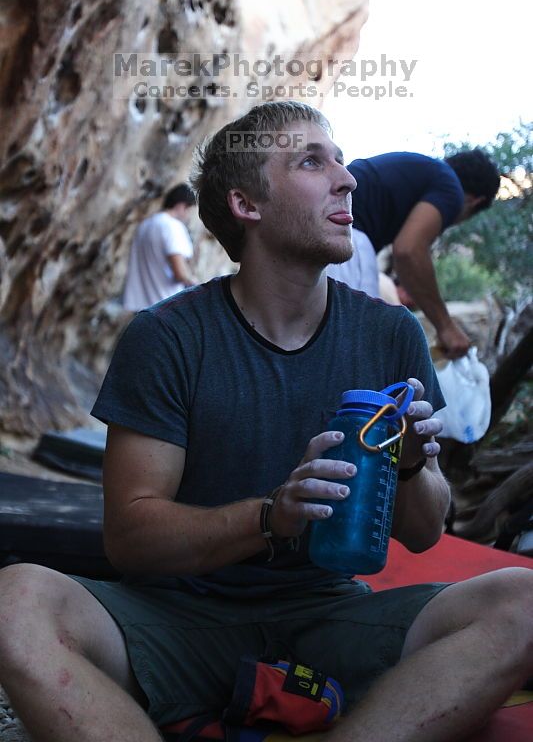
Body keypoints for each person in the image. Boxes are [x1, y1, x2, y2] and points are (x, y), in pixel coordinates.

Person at [0, 102, 531, 742]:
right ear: (246, 204)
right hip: (175, 619)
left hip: (328, 616)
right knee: (15, 600)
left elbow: (422, 535)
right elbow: (130, 537)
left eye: (341, 160)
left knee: (523, 601)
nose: (348, 180)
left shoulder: (390, 333)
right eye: (311, 162)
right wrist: (269, 515)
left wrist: (415, 464)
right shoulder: (167, 337)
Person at [328, 150, 500, 358]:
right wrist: (446, 327)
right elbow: (409, 251)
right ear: (474, 201)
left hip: (324, 235)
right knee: (356, 352)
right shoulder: (451, 188)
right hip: (345, 241)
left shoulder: (424, 173)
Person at [123, 182, 198, 311]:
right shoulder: (173, 226)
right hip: (165, 306)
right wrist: (197, 285)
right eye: (190, 210)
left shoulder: (144, 225)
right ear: (181, 206)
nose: (189, 216)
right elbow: (180, 273)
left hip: (141, 308)